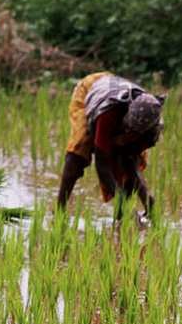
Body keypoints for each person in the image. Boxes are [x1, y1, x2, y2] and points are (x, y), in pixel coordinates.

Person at [57, 72, 164, 218]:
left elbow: (131, 163)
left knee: (128, 162)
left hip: (114, 91)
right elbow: (102, 164)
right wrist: (121, 200)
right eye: (127, 130)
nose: (128, 135)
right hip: (92, 89)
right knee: (77, 154)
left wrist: (148, 201)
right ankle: (59, 211)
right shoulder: (108, 115)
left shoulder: (150, 130)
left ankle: (120, 219)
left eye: (133, 134)